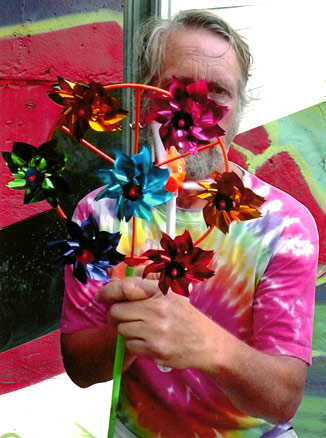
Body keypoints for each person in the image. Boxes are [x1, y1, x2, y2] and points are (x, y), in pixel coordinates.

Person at [59, 9, 318, 438]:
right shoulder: (101, 213)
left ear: (239, 108)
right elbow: (82, 369)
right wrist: (129, 323)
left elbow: (281, 399)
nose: (195, 111)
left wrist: (205, 344)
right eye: (176, 90)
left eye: (217, 92)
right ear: (144, 97)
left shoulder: (284, 226)